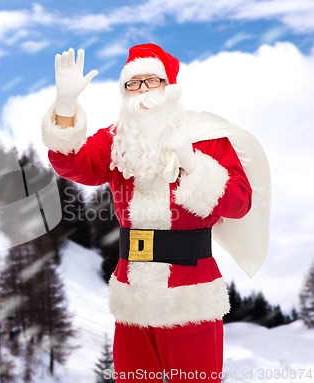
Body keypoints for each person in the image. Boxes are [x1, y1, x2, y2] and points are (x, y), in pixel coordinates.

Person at [41, 43, 270, 383]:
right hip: (133, 292)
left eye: (152, 81)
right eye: (133, 83)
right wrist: (65, 105)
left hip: (191, 291)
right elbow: (74, 165)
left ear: (170, 87)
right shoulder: (116, 140)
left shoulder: (205, 137)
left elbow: (239, 202)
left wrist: (193, 164)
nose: (142, 91)